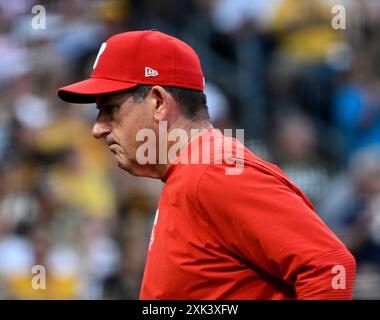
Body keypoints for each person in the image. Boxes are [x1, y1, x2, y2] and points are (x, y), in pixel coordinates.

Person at [57, 30, 356, 299]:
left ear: (159, 102)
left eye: (110, 109)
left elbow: (329, 267)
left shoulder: (214, 171)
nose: (98, 128)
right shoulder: (191, 172)